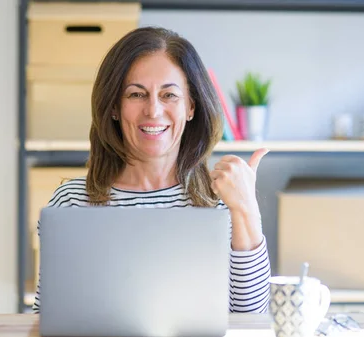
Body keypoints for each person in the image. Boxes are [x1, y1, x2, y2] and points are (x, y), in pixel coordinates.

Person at [33, 26, 270, 314]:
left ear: (191, 107)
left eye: (169, 95)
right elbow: (48, 315)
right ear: (114, 108)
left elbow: (252, 317)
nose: (153, 111)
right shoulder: (71, 202)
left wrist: (246, 210)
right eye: (136, 94)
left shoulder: (223, 199)